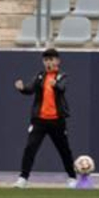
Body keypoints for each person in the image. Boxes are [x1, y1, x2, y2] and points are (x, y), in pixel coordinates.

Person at [13, 47, 80, 189]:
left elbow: (62, 88)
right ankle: (23, 179)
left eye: (51, 59)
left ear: (57, 61)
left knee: (64, 150)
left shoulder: (62, 76)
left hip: (57, 121)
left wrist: (55, 85)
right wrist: (22, 88)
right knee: (30, 147)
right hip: (40, 121)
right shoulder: (40, 76)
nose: (48, 62)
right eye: (46, 60)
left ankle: (72, 178)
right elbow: (30, 89)